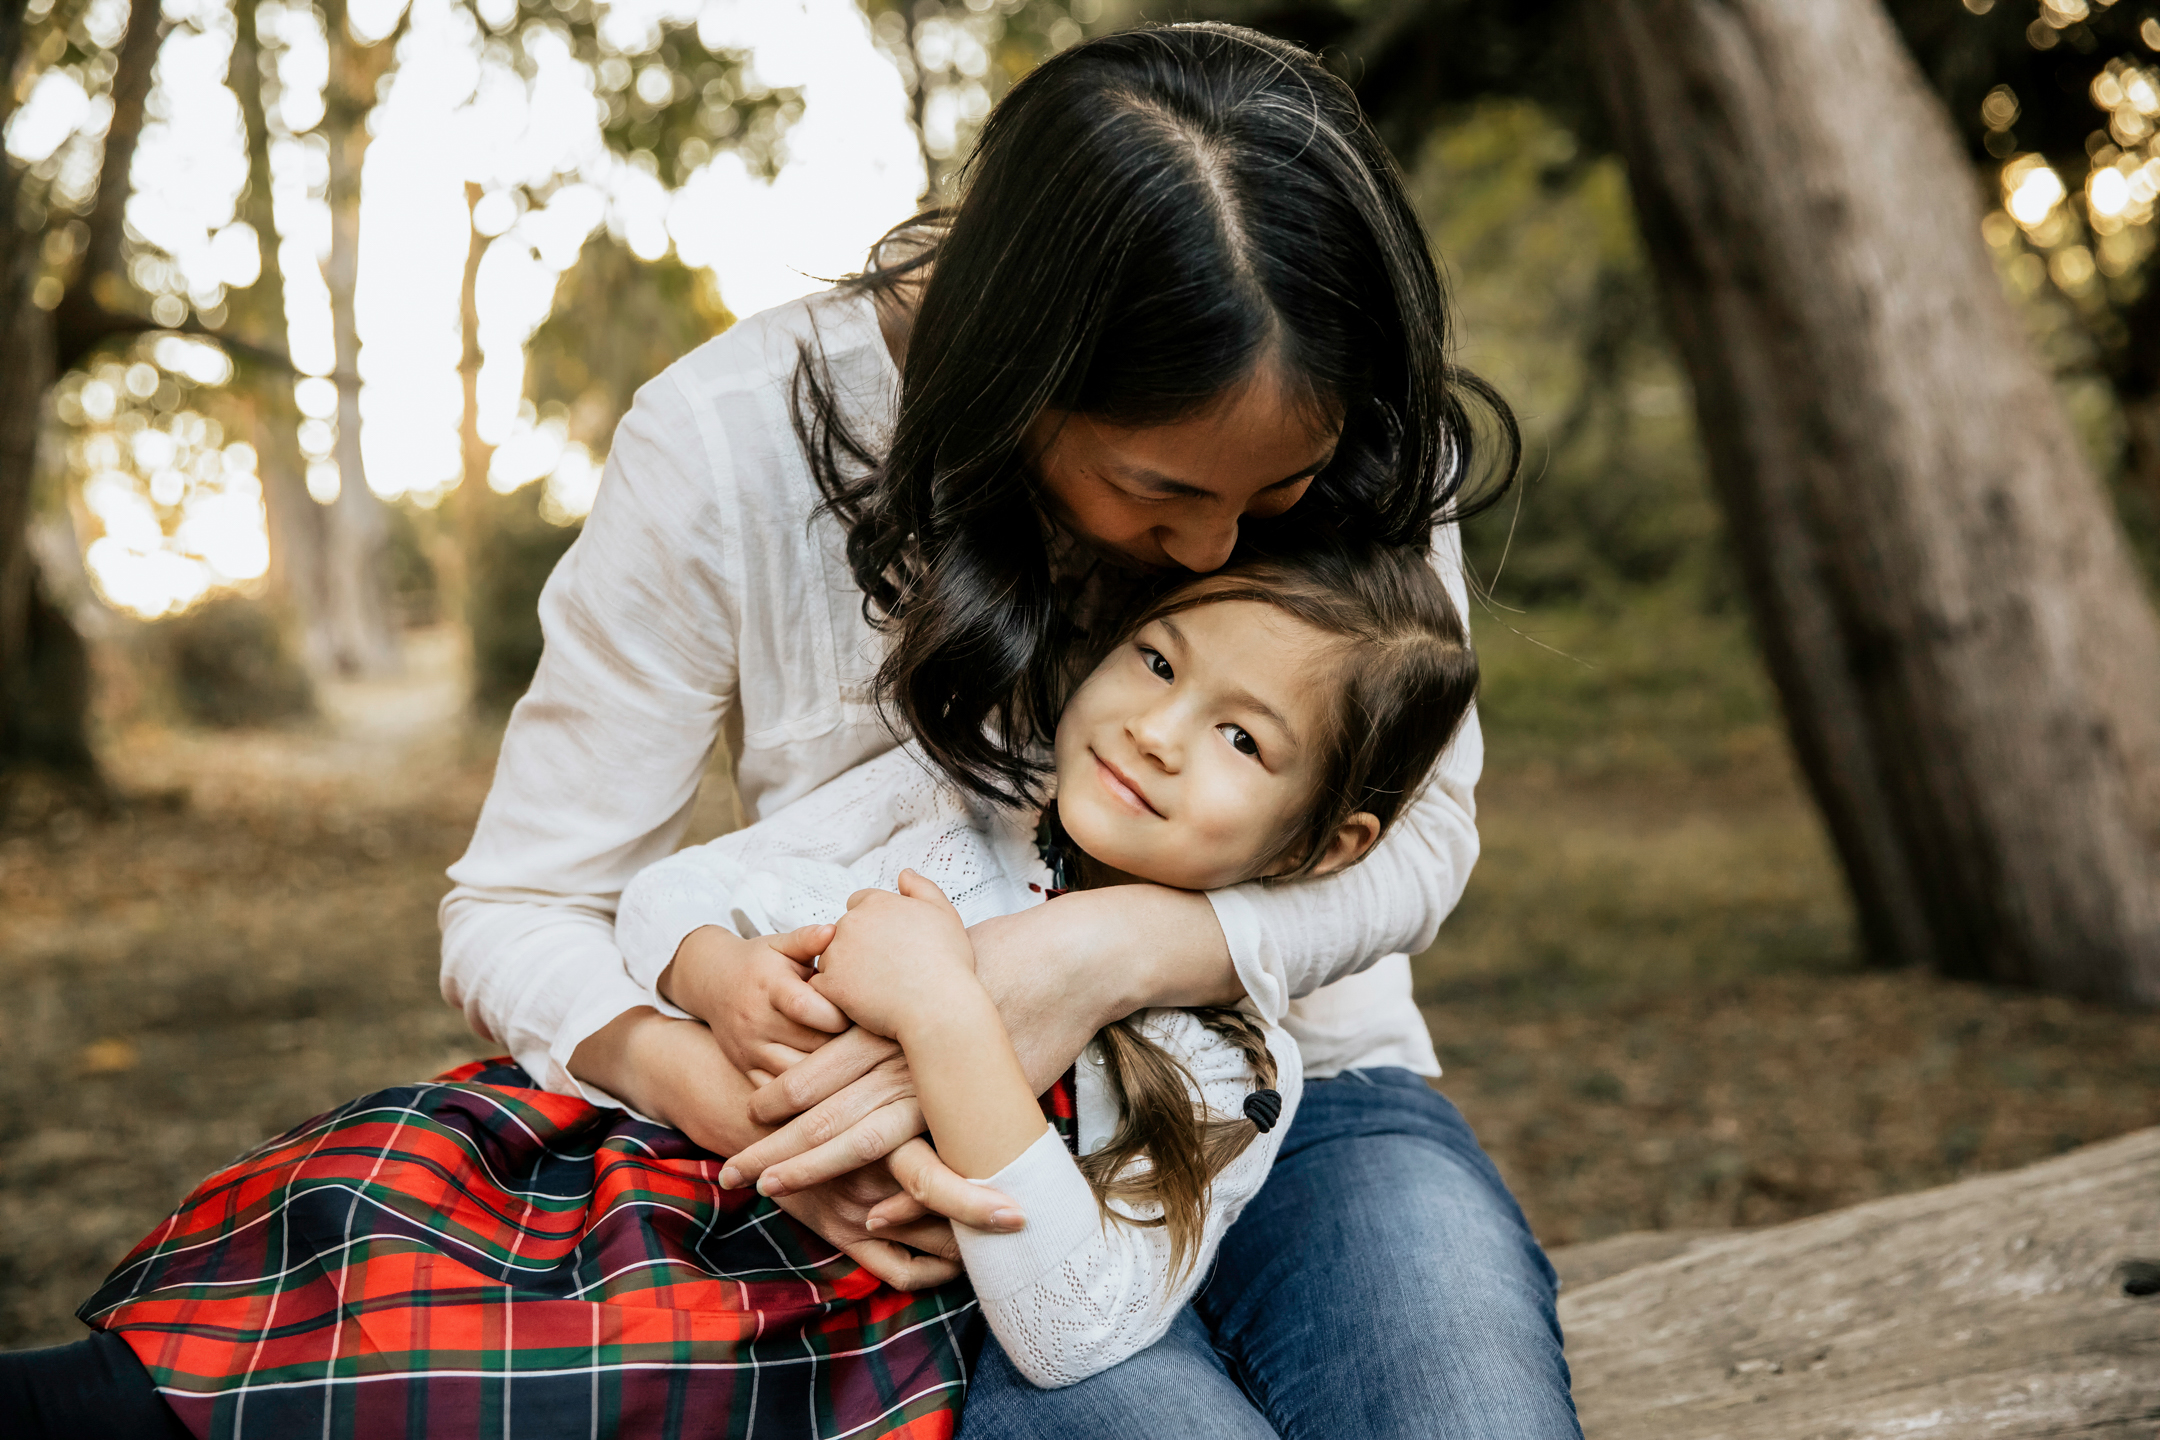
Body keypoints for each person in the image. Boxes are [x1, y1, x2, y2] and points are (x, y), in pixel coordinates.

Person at [443, 20, 1576, 1438]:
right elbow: (522, 903)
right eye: (1158, 489)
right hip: (930, 1168)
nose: (1217, 543)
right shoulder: (723, 445)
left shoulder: (1354, 427)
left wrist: (1094, 954)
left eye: (1274, 494)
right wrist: (725, 1093)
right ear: (1011, 374)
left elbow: (1424, 830)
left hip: (1308, 1084)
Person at [62, 540, 1477, 1438]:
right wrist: (721, 978)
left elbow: (1077, 1329)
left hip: (793, 1326)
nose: (1159, 733)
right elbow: (677, 888)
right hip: (614, 1183)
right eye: (1157, 660)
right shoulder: (952, 797)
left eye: (1240, 734)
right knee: (317, 1324)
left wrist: (943, 1014)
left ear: (1334, 837)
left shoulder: (1230, 1059)